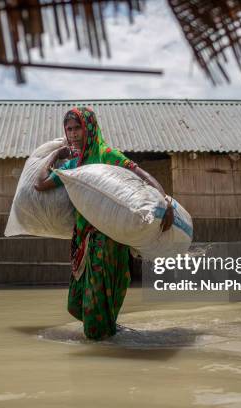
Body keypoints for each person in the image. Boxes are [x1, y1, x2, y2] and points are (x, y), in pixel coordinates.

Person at [34, 107, 174, 340]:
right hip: (83, 242)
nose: (73, 134)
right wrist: (55, 155)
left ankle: (105, 353)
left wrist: (165, 201)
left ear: (89, 128)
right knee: (78, 305)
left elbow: (142, 175)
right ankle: (110, 337)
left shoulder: (107, 155)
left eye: (77, 128)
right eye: (69, 130)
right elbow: (40, 184)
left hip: (109, 240)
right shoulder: (71, 167)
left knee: (96, 311)